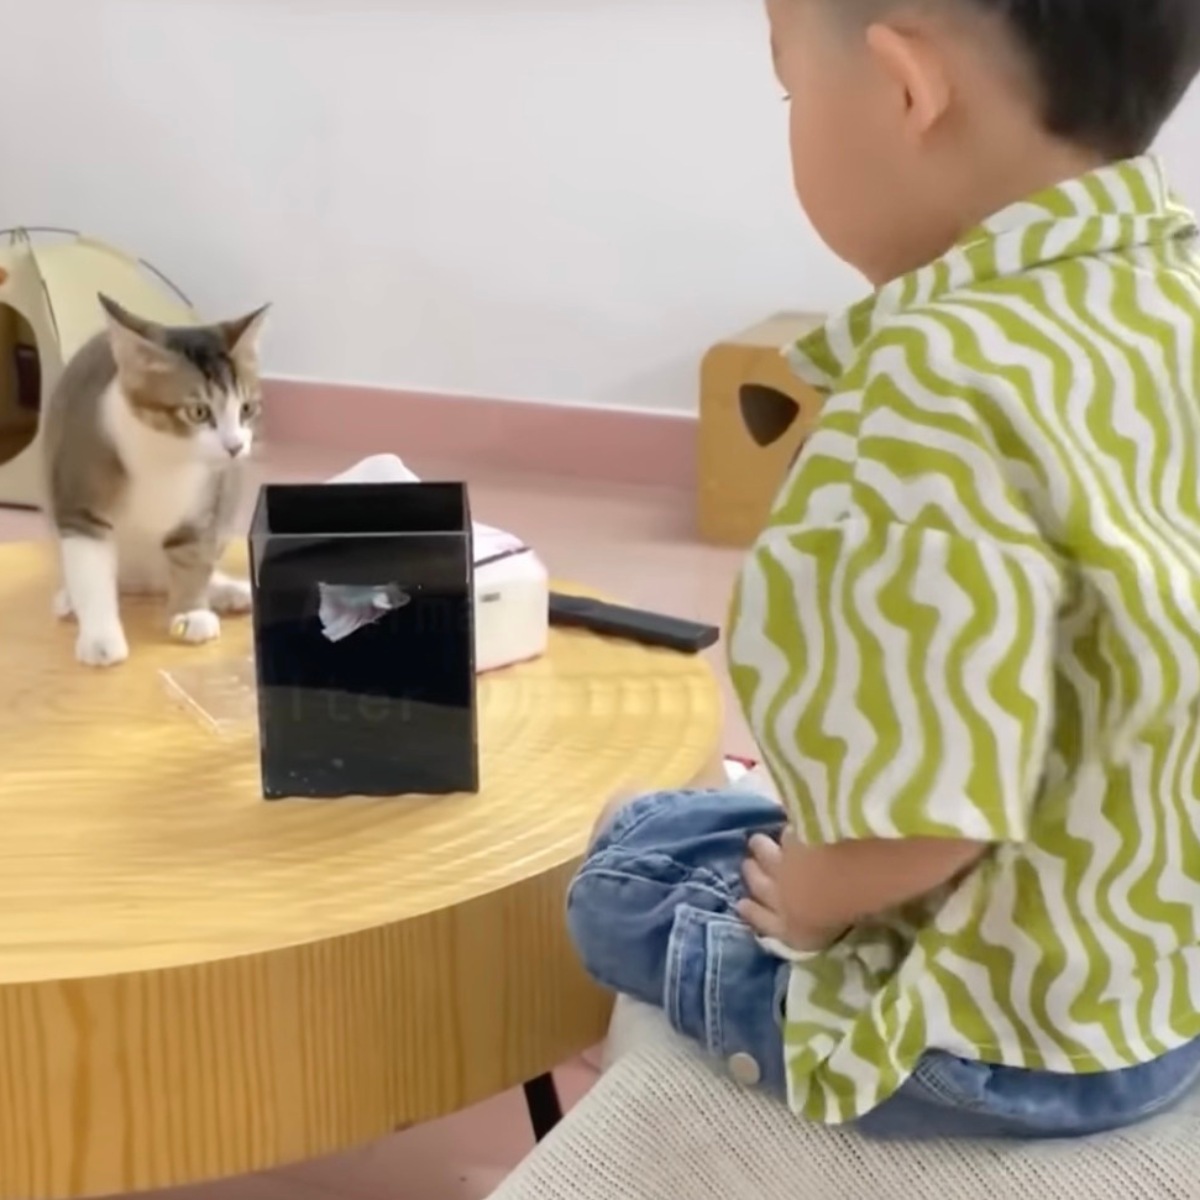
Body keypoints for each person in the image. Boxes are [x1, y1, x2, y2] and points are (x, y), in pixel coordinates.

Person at [566, 0, 1200, 1140]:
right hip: (1162, 983)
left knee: (623, 872)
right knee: (705, 820)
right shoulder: (1168, 292)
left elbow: (935, 817)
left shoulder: (931, 391)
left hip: (997, 1045)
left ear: (907, 88)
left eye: (787, 89)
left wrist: (812, 896)